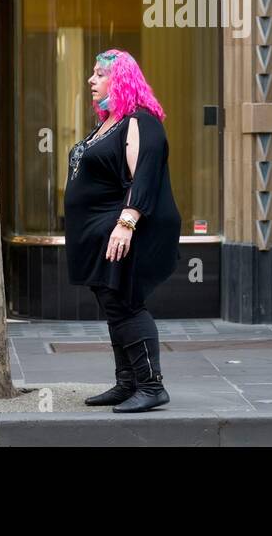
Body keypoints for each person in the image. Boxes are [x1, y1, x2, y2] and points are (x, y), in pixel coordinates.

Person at [65, 49, 182, 413]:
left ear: (121, 80)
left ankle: (151, 385)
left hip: (121, 227)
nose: (91, 80)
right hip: (99, 230)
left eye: (100, 74)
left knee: (127, 304)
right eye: (93, 74)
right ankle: (127, 382)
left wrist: (126, 223)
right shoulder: (109, 122)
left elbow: (143, 176)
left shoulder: (140, 121)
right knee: (113, 305)